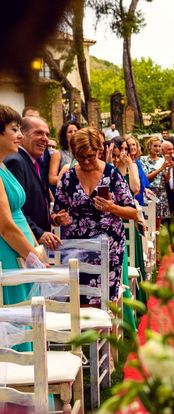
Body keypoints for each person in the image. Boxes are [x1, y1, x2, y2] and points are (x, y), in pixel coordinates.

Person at [52, 128, 138, 316]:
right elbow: (56, 214)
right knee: (77, 300)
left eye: (90, 156)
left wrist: (111, 208)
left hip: (108, 250)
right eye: (79, 157)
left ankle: (101, 339)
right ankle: (84, 341)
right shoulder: (68, 177)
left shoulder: (112, 174)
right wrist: (59, 218)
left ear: (100, 150)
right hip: (76, 249)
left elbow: (132, 212)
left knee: (103, 304)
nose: (85, 161)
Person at [0, 105, 46, 304]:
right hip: (10, 251)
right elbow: (6, 226)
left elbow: (18, 212)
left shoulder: (3, 165)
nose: (20, 135)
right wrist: (33, 258)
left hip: (24, 250)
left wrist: (36, 249)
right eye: (14, 129)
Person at [4, 116, 61, 251]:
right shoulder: (16, 161)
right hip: (22, 242)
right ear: (22, 135)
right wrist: (38, 232)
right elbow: (15, 207)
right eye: (39, 133)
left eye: (47, 134)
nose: (45, 138)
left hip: (36, 241)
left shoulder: (35, 161)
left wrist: (52, 218)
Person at [140, 136, 172, 225]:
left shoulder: (163, 160)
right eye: (155, 146)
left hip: (161, 194)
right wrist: (161, 168)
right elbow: (146, 178)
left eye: (159, 146)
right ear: (149, 146)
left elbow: (166, 179)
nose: (157, 148)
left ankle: (157, 239)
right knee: (148, 223)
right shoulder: (143, 159)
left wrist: (169, 168)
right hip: (149, 192)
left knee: (158, 225)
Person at [49, 120, 79, 190]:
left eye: (76, 131)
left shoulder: (84, 153)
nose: (73, 133)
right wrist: (70, 180)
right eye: (70, 132)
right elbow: (51, 178)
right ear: (65, 136)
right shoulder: (58, 153)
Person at [125, 135, 150, 206]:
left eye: (134, 144)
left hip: (140, 200)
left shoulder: (137, 162)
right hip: (130, 200)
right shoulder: (125, 164)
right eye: (129, 145)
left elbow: (141, 180)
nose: (132, 147)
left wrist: (145, 189)